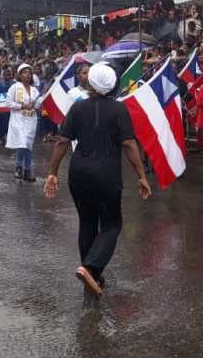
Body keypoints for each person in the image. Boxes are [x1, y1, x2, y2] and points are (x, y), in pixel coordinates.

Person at [44, 63, 151, 298]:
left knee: (87, 222)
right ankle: (90, 268)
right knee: (112, 225)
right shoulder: (119, 109)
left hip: (78, 173)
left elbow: (62, 141)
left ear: (90, 83)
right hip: (107, 174)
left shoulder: (78, 107)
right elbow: (129, 144)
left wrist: (52, 172)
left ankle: (91, 276)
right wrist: (142, 176)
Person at [6, 64, 42, 181]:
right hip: (18, 119)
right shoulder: (15, 87)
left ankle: (27, 171)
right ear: (20, 75)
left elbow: (37, 106)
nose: (28, 75)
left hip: (31, 120)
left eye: (29, 73)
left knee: (28, 145)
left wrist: (40, 100)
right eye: (25, 72)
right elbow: (8, 103)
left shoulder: (34, 90)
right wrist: (22, 106)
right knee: (23, 142)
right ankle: (19, 167)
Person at [0, 67, 14, 143]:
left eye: (9, 75)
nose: (7, 76)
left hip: (11, 107)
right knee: (0, 122)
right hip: (1, 107)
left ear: (11, 75)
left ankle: (9, 137)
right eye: (6, 75)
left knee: (10, 122)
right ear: (3, 75)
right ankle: (1, 137)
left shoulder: (14, 84)